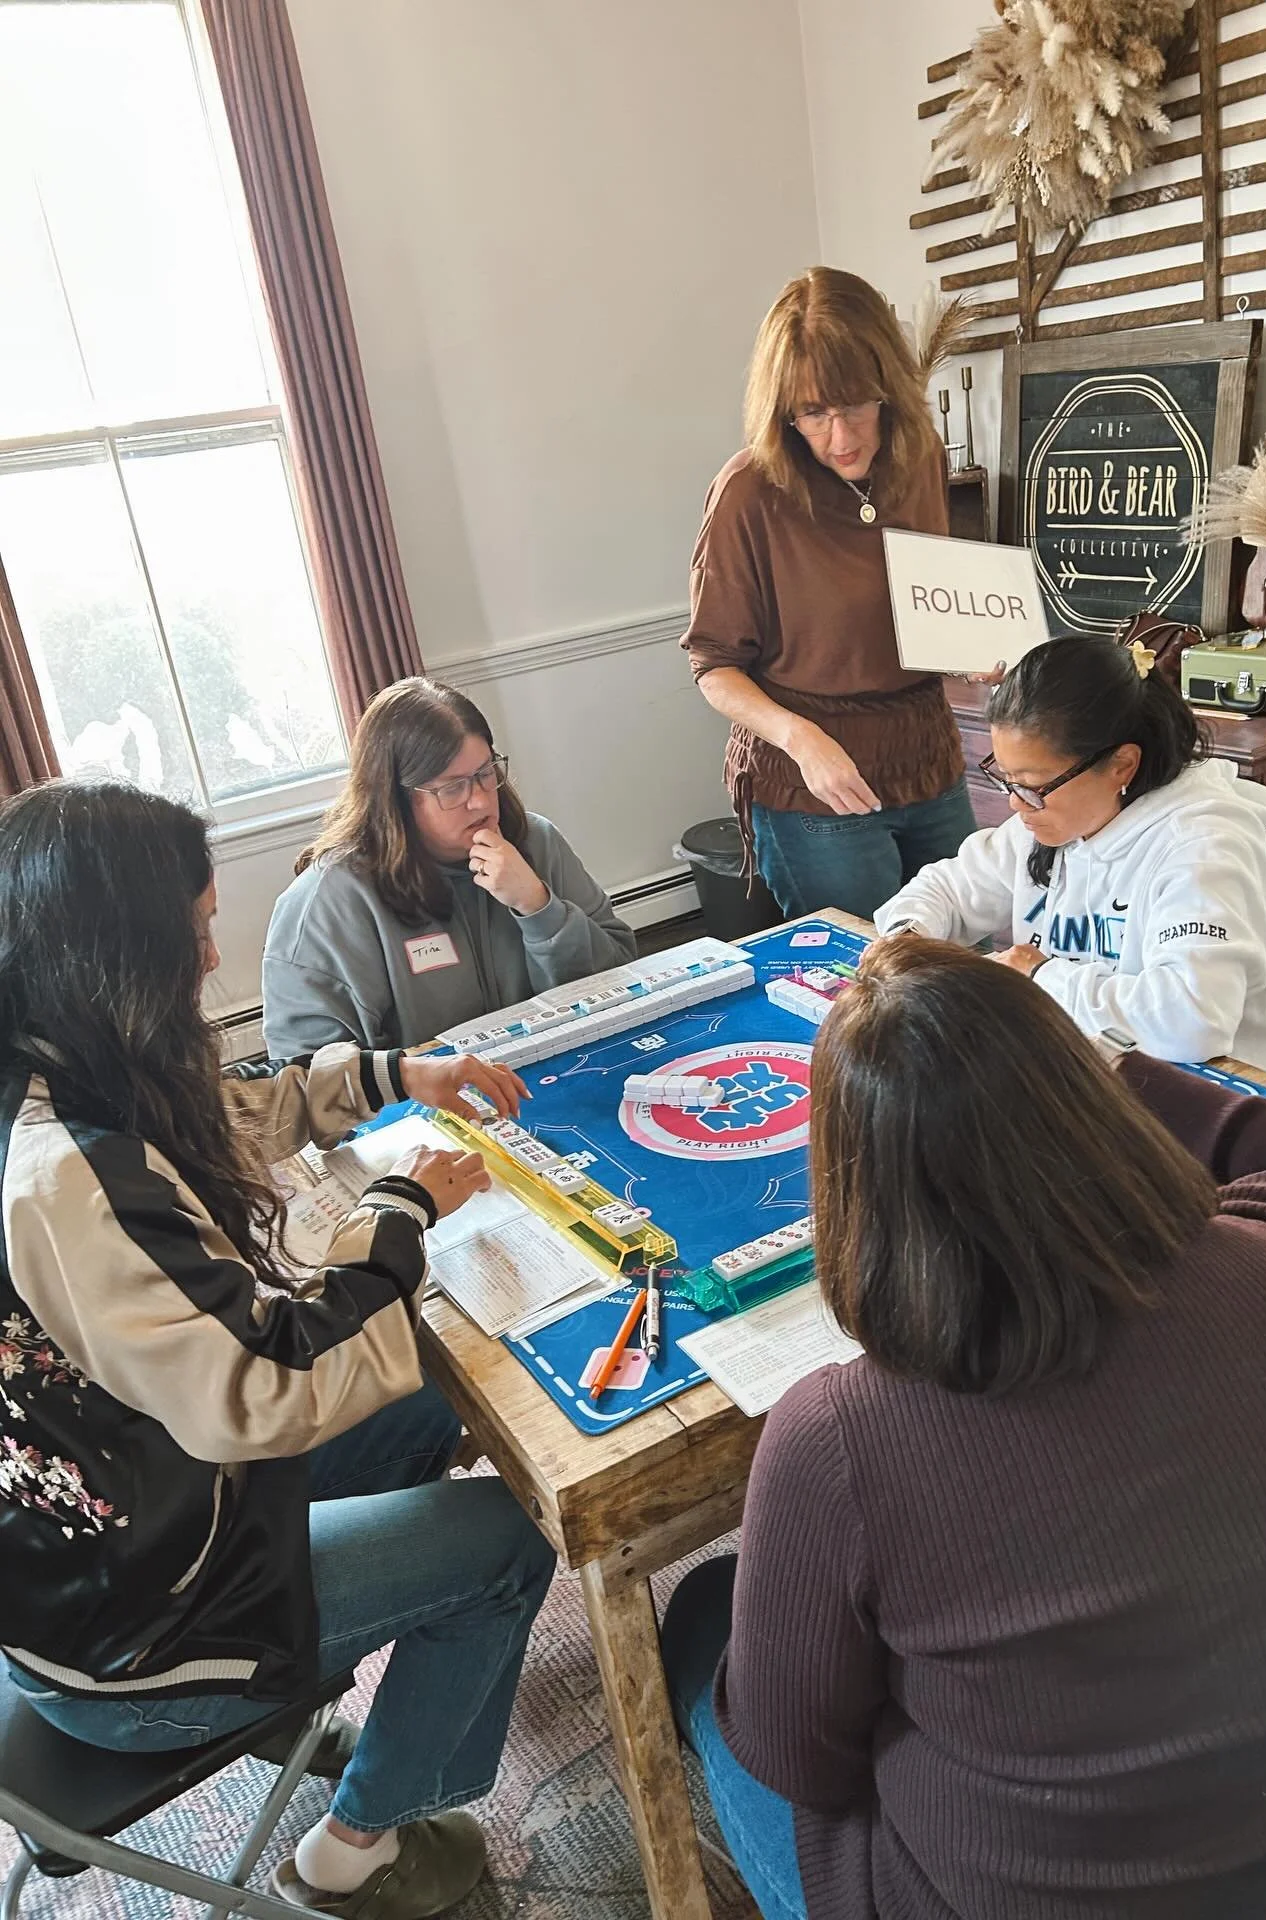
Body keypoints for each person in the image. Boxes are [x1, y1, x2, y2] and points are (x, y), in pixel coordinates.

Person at [661, 938, 1266, 1920]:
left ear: (858, 1196)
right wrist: (1114, 1066)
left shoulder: (834, 1438)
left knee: (702, 1617)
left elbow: (799, 1761)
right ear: (1088, 1105)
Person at [0, 781, 557, 1920]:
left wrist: (398, 1076)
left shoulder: (51, 1061)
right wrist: (402, 1210)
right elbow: (271, 1382)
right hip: (135, 1641)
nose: (210, 961)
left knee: (420, 1416)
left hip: (124, 1526)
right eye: (194, 933)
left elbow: (222, 1112)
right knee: (512, 1537)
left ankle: (336, 1692)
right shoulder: (66, 1176)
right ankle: (350, 1856)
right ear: (114, 955)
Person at [875, 634, 1266, 1101]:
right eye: (1007, 779)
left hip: (1261, 1108)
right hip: (1114, 1079)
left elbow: (1191, 1021)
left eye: (1032, 785)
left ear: (1122, 765)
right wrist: (907, 937)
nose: (1017, 804)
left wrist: (1040, 978)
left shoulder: (1203, 844)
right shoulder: (1054, 817)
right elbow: (948, 888)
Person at [680, 265, 977, 920]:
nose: (840, 438)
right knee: (868, 980)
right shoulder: (748, 494)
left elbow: (924, 597)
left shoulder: (921, 451)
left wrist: (969, 644)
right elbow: (713, 666)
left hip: (926, 753)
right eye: (813, 413)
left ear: (889, 388)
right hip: (816, 783)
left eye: (856, 404)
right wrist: (800, 739)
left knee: (963, 963)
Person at [263, 678, 636, 1057]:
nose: (479, 801)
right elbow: (309, 1077)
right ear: (395, 799)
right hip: (424, 1110)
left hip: (559, 1070)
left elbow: (624, 976)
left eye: (485, 773)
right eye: (452, 788)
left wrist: (541, 910)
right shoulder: (327, 901)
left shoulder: (536, 840)